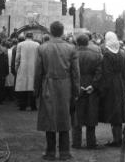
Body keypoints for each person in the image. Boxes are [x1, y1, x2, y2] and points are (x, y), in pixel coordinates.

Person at [34, 21, 80, 161]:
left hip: (48, 84)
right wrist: (76, 91)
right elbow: (76, 73)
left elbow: (38, 72)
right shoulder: (71, 48)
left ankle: (50, 152)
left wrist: (36, 90)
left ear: (50, 31)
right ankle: (65, 152)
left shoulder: (42, 48)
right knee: (65, 117)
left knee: (50, 117)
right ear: (62, 31)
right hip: (66, 86)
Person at [71, 34, 102, 149]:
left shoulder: (72, 54)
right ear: (88, 42)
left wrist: (76, 86)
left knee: (76, 115)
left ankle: (76, 142)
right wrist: (93, 86)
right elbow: (99, 73)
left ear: (77, 43)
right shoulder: (97, 55)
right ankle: (91, 142)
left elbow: (71, 72)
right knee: (91, 114)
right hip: (91, 87)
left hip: (77, 86)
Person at [97, 31, 125, 147]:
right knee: (118, 112)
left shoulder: (107, 54)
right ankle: (118, 138)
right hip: (120, 83)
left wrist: (103, 89)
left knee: (113, 112)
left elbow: (107, 73)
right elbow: (124, 70)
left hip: (111, 85)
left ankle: (117, 140)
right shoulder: (122, 53)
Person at [15, 32, 40, 111]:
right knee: (32, 87)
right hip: (33, 66)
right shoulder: (37, 45)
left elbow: (17, 58)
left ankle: (23, 105)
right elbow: (39, 58)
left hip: (23, 66)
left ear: (25, 37)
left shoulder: (20, 44)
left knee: (23, 86)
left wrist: (16, 67)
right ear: (32, 37)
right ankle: (33, 105)